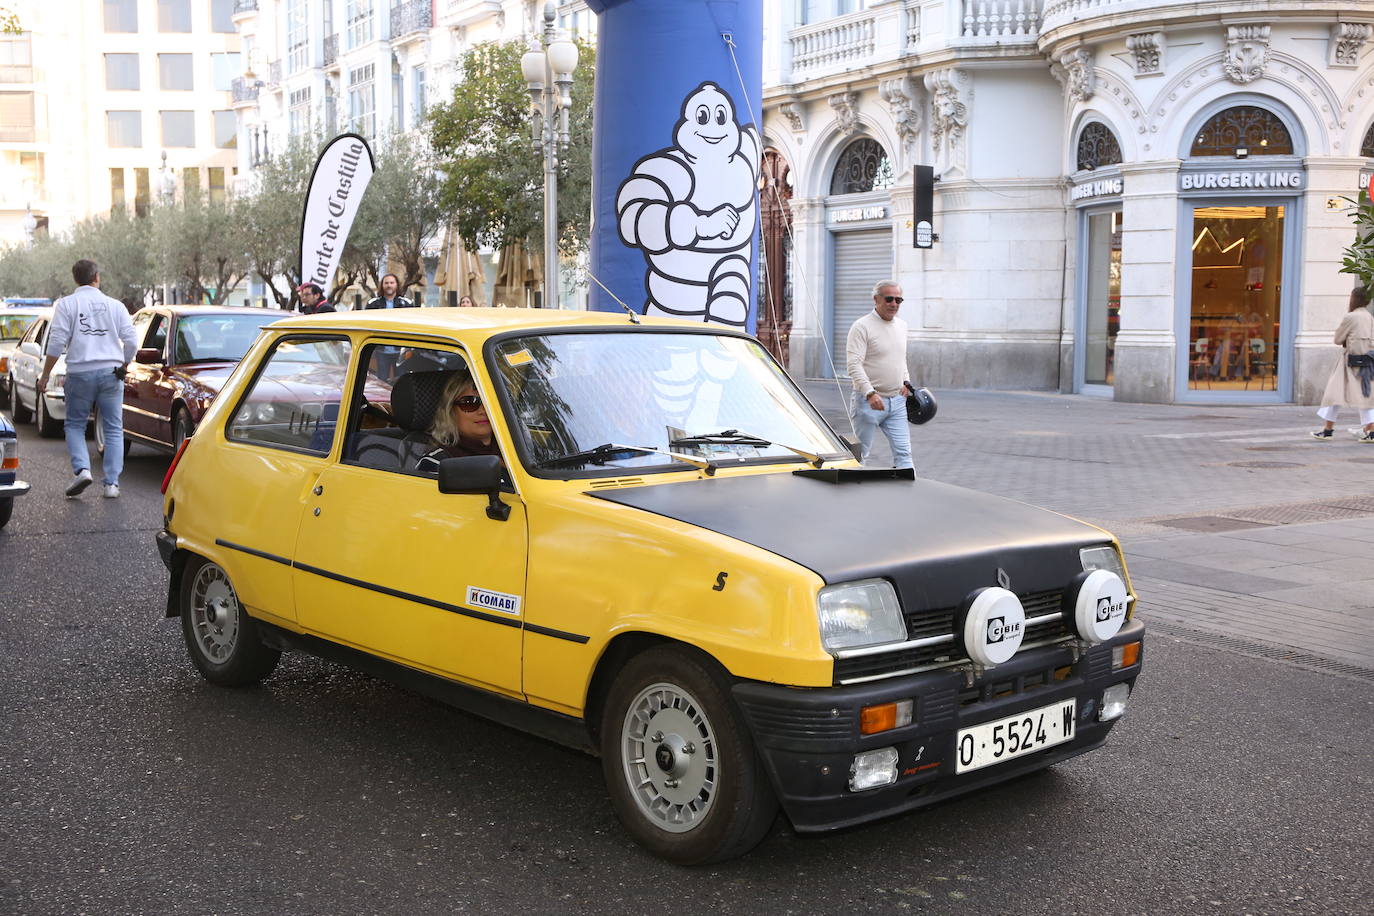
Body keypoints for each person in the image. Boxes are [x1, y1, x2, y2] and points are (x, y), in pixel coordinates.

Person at [38, 259, 138, 498]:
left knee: (74, 424)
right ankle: (112, 484)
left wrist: (45, 375)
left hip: (80, 372)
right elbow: (132, 341)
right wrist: (123, 364)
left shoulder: (67, 305)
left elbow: (56, 343)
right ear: (97, 277)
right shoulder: (115, 306)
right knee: (114, 428)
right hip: (111, 373)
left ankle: (82, 469)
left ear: (76, 279)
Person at [846, 280, 915, 469]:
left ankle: (906, 494)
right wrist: (870, 392)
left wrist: (906, 382)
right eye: (889, 299)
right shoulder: (861, 326)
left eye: (898, 300)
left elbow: (901, 358)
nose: (894, 304)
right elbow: (853, 364)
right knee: (860, 456)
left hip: (897, 402)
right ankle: (854, 495)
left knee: (904, 453)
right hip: (868, 402)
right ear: (876, 299)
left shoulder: (902, 326)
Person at [1312, 286, 1374, 442]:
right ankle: (1370, 431)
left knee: (1333, 394)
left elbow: (1337, 339)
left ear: (1354, 299)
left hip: (1349, 362)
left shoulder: (1351, 317)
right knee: (1366, 396)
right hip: (1367, 361)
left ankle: (1328, 430)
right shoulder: (1369, 317)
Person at [415, 370, 501, 470]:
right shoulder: (437, 463)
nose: (483, 411)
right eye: (469, 403)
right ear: (450, 411)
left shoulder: (516, 451)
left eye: (490, 401)